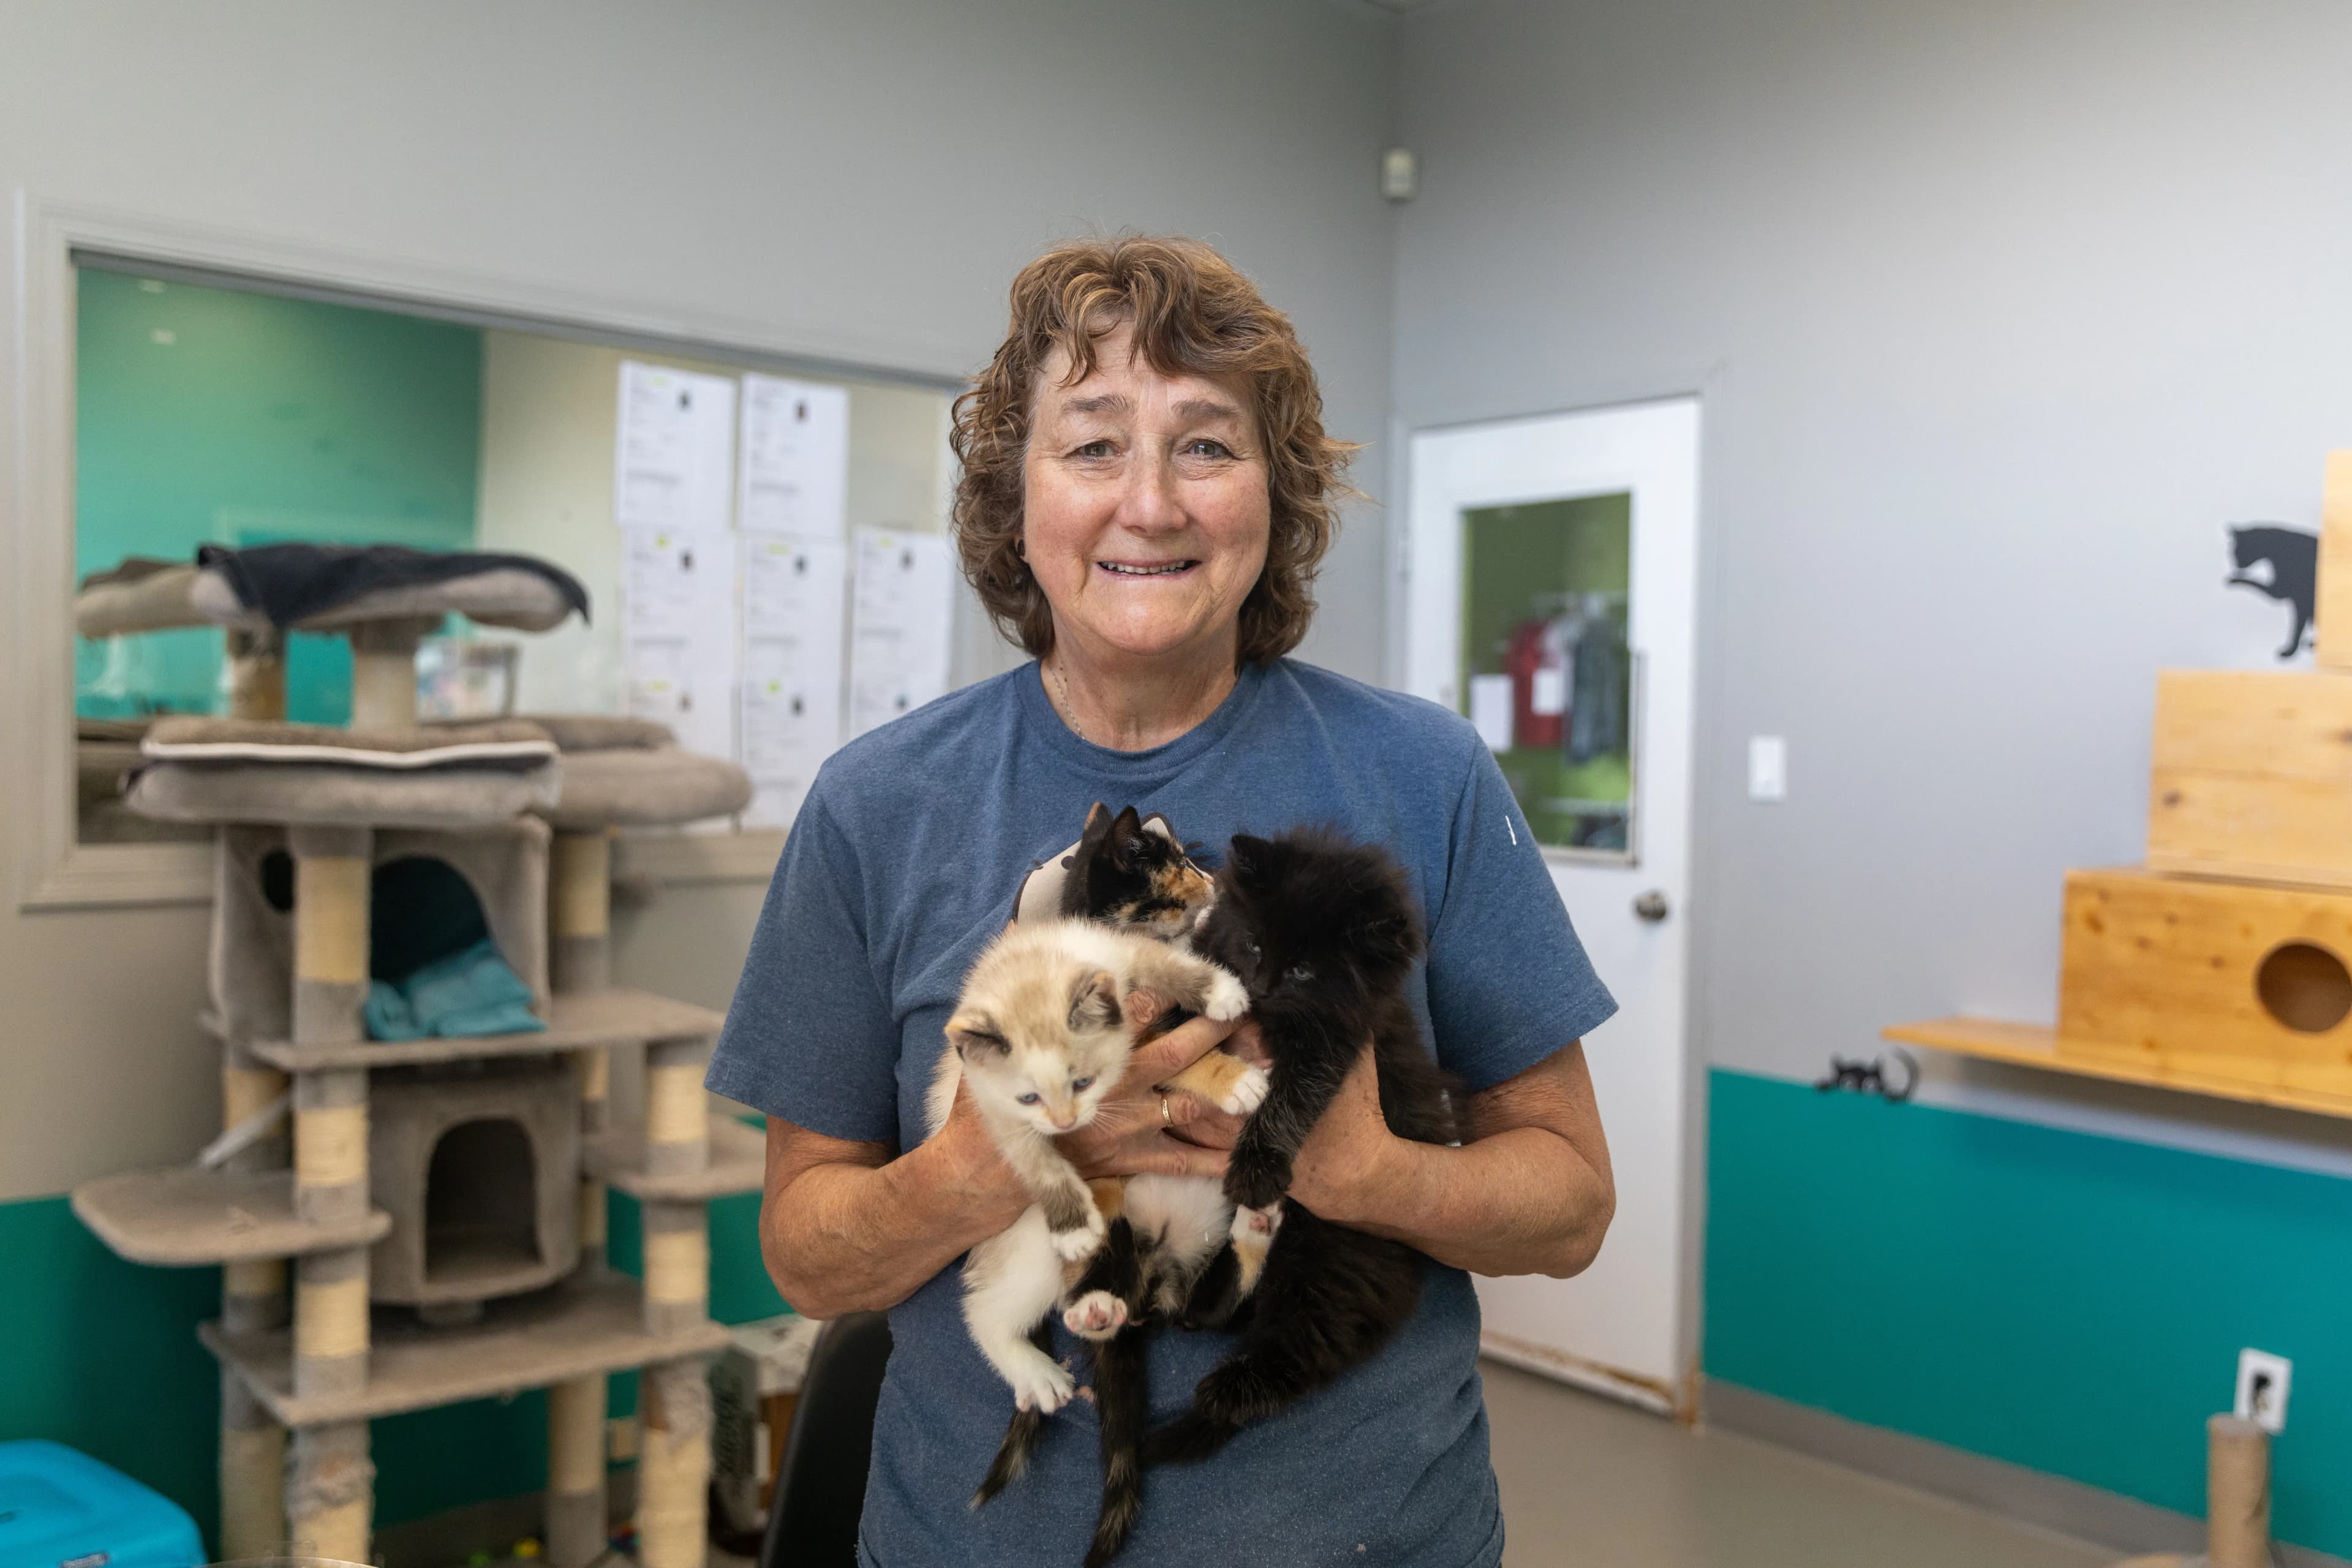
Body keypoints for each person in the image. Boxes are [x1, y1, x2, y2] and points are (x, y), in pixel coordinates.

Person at [706, 236, 1617, 1567]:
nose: (1151, 502)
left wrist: (1367, 1172)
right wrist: (985, 1164)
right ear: (1014, 497)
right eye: (1090, 446)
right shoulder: (875, 806)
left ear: (1275, 494)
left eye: (1206, 444)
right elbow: (808, 1256)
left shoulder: (1422, 777)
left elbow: (1572, 1202)